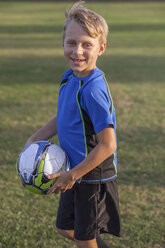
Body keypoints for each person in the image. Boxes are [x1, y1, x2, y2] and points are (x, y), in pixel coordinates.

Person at [25, 1, 121, 247]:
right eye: (72, 43)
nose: (78, 51)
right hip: (73, 172)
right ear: (63, 44)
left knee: (84, 239)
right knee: (65, 228)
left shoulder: (93, 89)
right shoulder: (69, 77)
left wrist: (73, 175)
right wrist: (36, 137)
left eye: (87, 44)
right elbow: (65, 115)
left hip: (91, 176)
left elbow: (108, 145)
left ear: (101, 48)